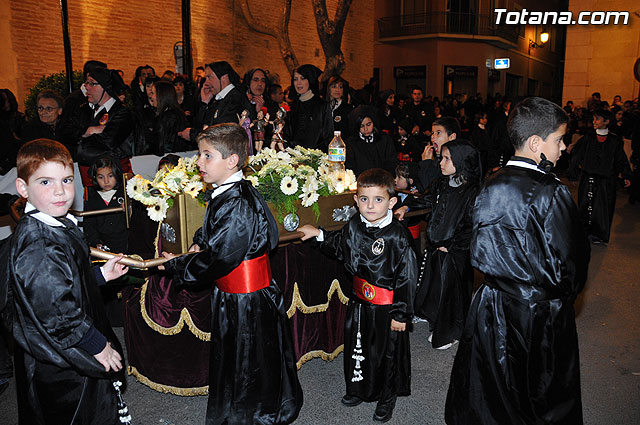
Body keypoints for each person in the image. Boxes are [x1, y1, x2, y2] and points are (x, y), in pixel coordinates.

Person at [446, 97, 591, 424]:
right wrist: (563, 297)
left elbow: (478, 247)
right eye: (559, 140)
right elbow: (573, 262)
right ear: (536, 143)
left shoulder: (489, 183)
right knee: (543, 392)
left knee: (495, 384)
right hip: (538, 311)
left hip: (491, 304)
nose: (565, 147)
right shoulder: (551, 191)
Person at [161, 124, 303, 424]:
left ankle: (251, 417)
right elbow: (219, 233)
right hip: (242, 297)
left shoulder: (237, 201)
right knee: (244, 360)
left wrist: (176, 265)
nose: (198, 162)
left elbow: (219, 260)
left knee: (247, 362)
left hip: (246, 301)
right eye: (200, 154)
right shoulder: (232, 191)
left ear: (232, 161)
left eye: (206, 155)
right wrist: (201, 238)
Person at [4, 139, 130, 424]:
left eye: (67, 179)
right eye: (45, 182)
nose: (60, 191)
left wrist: (99, 275)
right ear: (23, 189)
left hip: (68, 345)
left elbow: (63, 282)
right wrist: (97, 344)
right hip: (61, 359)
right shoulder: (39, 245)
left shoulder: (55, 222)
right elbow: (56, 312)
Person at [299, 168, 416, 423]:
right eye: (364, 199)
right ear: (356, 200)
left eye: (378, 200)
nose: (370, 206)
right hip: (359, 304)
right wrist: (318, 235)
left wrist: (400, 313)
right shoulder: (354, 225)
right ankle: (358, 389)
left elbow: (407, 277)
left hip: (387, 308)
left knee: (386, 353)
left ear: (391, 202)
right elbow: (340, 246)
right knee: (358, 347)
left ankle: (387, 397)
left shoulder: (397, 236)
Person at [397, 140, 481, 350]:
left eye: (446, 159)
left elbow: (473, 225)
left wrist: (453, 245)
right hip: (436, 247)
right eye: (441, 157)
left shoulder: (473, 191)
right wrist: (406, 207)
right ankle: (432, 317)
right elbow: (425, 201)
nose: (441, 163)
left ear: (460, 162)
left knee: (452, 291)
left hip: (455, 252)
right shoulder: (441, 184)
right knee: (433, 285)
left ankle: (449, 332)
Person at [568, 109, 632, 244]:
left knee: (602, 208)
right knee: (585, 206)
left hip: (606, 181)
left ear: (607, 122)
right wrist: (572, 173)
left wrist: (626, 175)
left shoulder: (615, 140)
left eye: (597, 119)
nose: (594, 122)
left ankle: (599, 235)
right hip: (587, 178)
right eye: (593, 119)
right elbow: (577, 155)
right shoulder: (588, 138)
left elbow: (621, 159)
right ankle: (584, 232)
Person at [179, 61, 245, 145]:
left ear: (223, 78)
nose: (206, 83)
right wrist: (204, 103)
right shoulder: (219, 98)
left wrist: (192, 134)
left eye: (209, 77)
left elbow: (222, 132)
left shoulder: (235, 99)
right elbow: (201, 125)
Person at [83, 156, 128, 253]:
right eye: (101, 177)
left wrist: (130, 207)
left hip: (126, 244)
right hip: (104, 248)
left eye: (110, 176)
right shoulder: (92, 200)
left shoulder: (126, 194)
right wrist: (96, 242)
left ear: (117, 175)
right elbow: (89, 226)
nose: (106, 181)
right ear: (95, 178)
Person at [285, 64, 334, 151]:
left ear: (310, 80)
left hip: (317, 158)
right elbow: (288, 135)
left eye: (303, 78)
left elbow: (328, 136)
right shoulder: (292, 107)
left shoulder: (322, 106)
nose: (298, 83)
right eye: (295, 79)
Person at [345, 106, 397, 177]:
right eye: (361, 126)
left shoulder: (384, 139)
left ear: (374, 123)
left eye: (368, 124)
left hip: (382, 181)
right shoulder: (351, 142)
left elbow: (392, 162)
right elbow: (349, 167)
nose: (366, 129)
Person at [417, 116, 460, 190]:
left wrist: (426, 163)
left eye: (438, 133)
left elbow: (432, 189)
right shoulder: (437, 159)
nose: (432, 137)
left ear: (452, 137)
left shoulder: (457, 161)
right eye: (432, 133)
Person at [150, 80, 190, 154]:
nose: (150, 96)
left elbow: (165, 145)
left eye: (153, 93)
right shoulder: (175, 113)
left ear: (161, 95)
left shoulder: (168, 117)